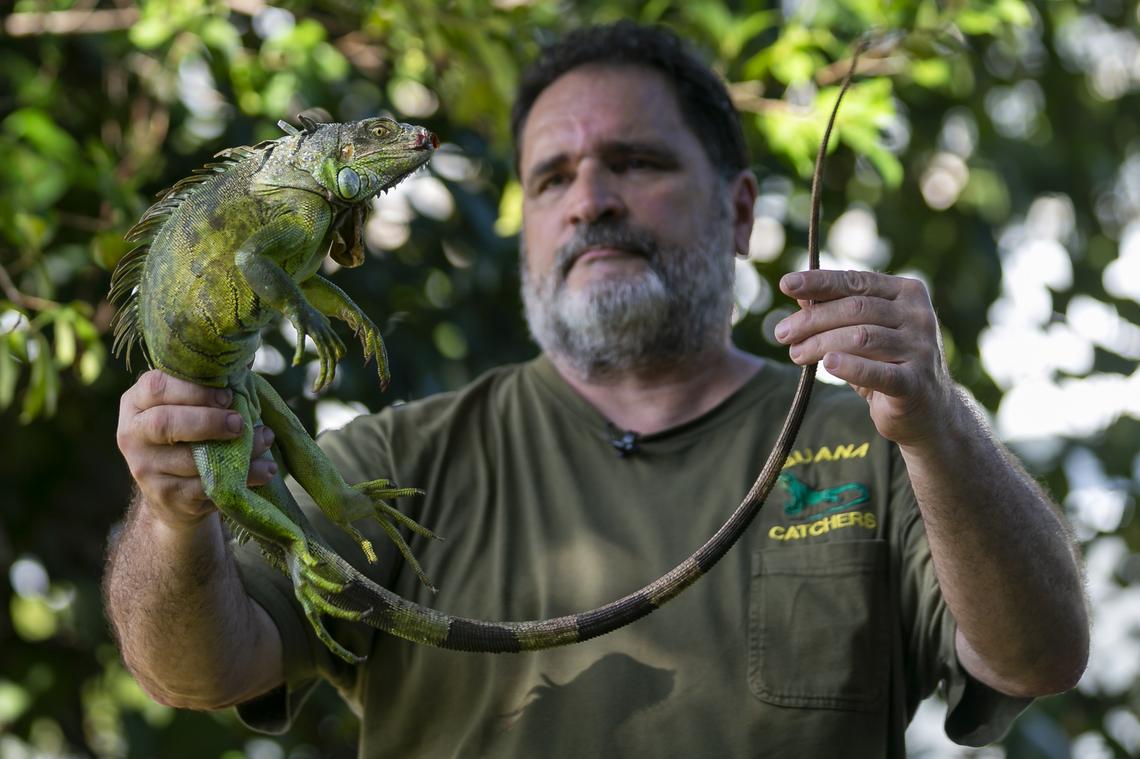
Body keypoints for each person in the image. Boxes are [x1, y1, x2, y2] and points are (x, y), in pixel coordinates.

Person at [104, 22, 1089, 758]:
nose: (592, 198)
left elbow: (1036, 658)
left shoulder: (882, 445)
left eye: (637, 162)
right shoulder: (400, 460)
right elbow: (194, 671)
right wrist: (173, 515)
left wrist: (938, 423)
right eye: (553, 177)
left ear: (741, 210)